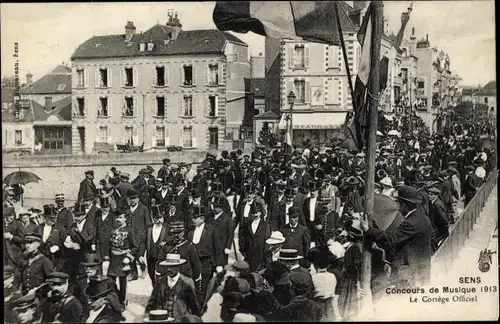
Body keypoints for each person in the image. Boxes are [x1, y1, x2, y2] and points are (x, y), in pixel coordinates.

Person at [363, 185, 433, 287]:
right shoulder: (424, 218)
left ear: (403, 205)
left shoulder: (410, 223)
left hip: (410, 273)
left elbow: (389, 238)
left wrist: (368, 229)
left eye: (398, 204)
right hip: (423, 268)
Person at [186, 205, 224, 306]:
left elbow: (218, 248)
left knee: (202, 288)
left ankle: (198, 311)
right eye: (192, 218)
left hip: (206, 263)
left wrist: (219, 264)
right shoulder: (190, 231)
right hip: (192, 265)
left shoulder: (211, 230)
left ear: (202, 218)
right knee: (192, 287)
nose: (193, 220)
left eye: (195, 218)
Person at [145, 254, 201, 320]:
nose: (169, 269)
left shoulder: (187, 283)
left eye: (172, 267)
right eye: (167, 266)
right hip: (162, 320)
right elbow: (151, 303)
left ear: (178, 267)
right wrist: (147, 317)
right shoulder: (160, 282)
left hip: (180, 320)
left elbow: (194, 307)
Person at [105, 210, 139, 310]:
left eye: (120, 217)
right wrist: (107, 257)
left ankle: (122, 302)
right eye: (117, 218)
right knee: (109, 281)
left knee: (123, 282)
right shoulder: (113, 230)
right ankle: (116, 297)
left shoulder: (129, 230)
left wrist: (129, 257)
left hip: (123, 259)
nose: (118, 219)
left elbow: (135, 247)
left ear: (125, 218)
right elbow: (109, 245)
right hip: (113, 259)